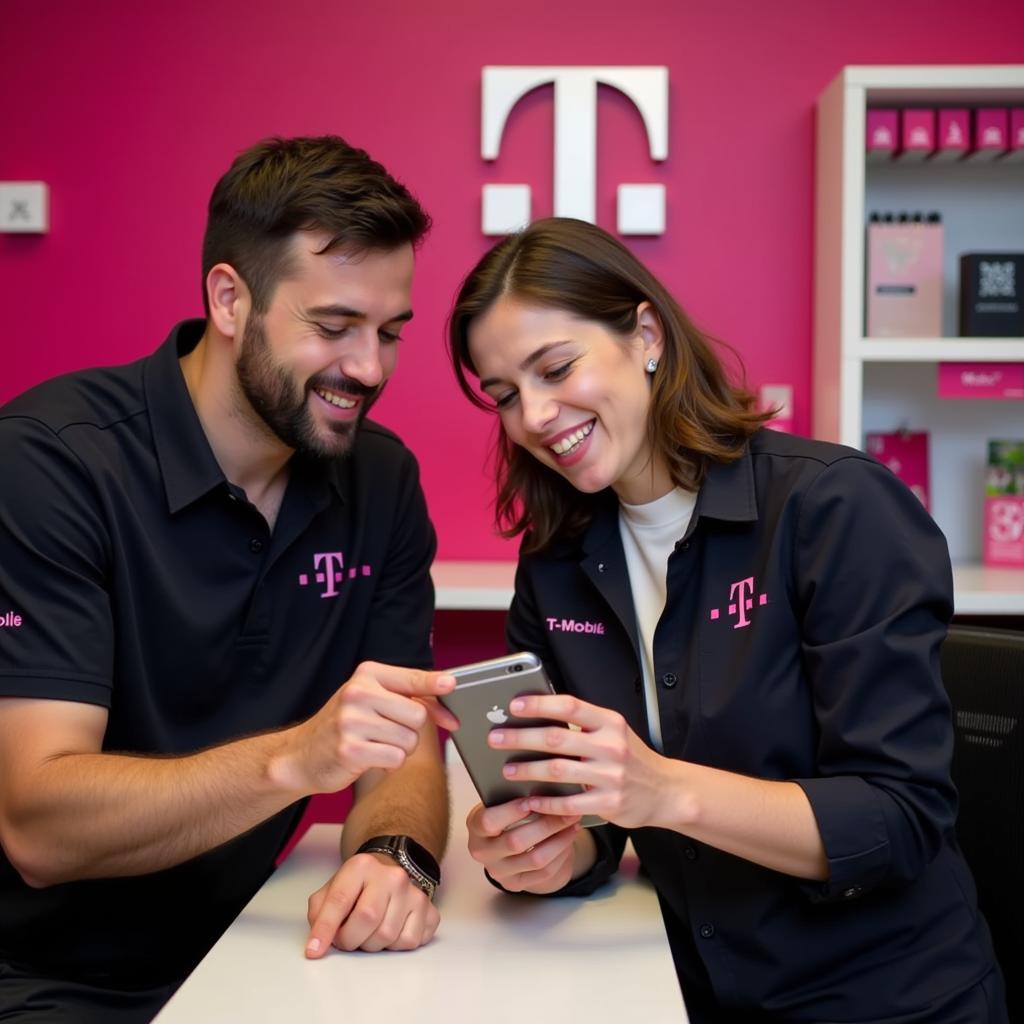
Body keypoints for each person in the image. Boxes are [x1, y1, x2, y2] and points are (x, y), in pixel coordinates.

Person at [446, 217, 1008, 1023]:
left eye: (556, 367)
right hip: (689, 995)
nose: (533, 415)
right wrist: (547, 854)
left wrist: (659, 789)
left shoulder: (834, 508)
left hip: (889, 1000)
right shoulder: (556, 562)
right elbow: (594, 823)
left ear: (645, 334)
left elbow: (899, 816)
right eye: (504, 395)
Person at [0, 135, 459, 1023]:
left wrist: (393, 859)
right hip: (49, 979)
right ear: (229, 298)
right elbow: (37, 827)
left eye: (389, 332)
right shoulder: (49, 466)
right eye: (333, 328)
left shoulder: (382, 480)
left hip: (264, 953)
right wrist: (298, 756)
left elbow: (402, 740)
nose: (368, 369)